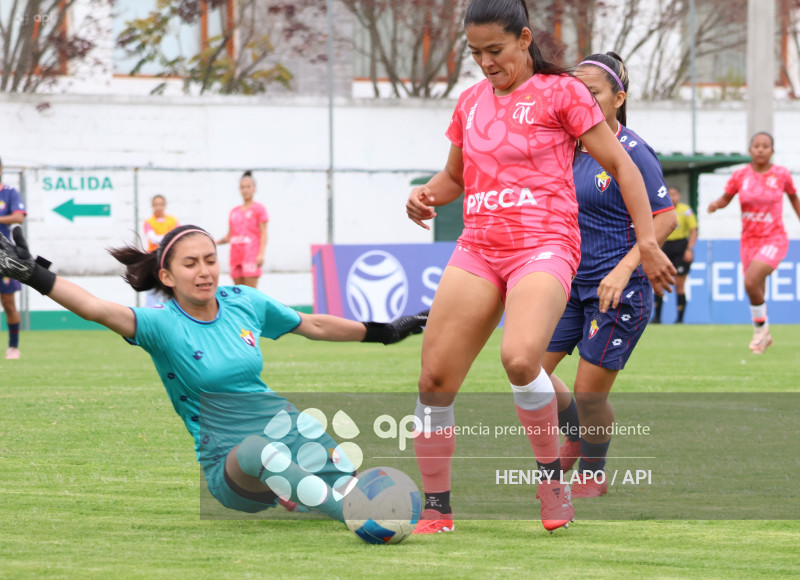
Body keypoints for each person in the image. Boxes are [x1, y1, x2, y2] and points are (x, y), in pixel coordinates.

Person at [405, 0, 675, 534]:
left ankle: (553, 481)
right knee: (434, 379)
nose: (484, 62)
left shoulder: (564, 93)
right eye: (475, 52)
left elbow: (621, 164)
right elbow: (454, 178)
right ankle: (438, 508)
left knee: (521, 359)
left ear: (525, 40)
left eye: (495, 50)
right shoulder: (469, 103)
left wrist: (646, 241)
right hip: (479, 245)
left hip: (545, 245)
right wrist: (424, 196)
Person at [0, 225, 428, 520]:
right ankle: (351, 517)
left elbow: (311, 324)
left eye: (210, 259)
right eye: (190, 264)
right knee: (262, 452)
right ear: (166, 275)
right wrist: (35, 275)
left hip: (288, 429)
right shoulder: (161, 325)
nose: (204, 271)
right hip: (231, 465)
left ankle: (331, 496)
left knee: (345, 468)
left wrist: (385, 331)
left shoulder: (244, 301)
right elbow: (97, 309)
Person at [543, 52, 678, 499]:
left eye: (594, 92)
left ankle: (593, 473)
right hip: (568, 286)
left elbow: (665, 219)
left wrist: (624, 270)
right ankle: (576, 435)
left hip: (619, 290)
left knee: (588, 393)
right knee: (528, 374)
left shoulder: (633, 152)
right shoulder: (565, 147)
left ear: (618, 98)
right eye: (576, 92)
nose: (582, 100)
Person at [707, 132, 800, 354]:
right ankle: (764, 335)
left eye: (765, 146)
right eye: (756, 146)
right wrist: (716, 205)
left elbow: (794, 198)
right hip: (748, 240)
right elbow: (726, 197)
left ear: (772, 151)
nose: (760, 149)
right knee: (756, 288)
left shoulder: (781, 174)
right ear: (750, 151)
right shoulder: (740, 175)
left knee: (750, 282)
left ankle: (760, 329)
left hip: (774, 238)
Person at [216, 171, 268, 289]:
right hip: (236, 257)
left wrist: (261, 254)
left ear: (254, 189)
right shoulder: (234, 211)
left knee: (250, 293)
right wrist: (214, 242)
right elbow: (229, 236)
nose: (245, 190)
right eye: (242, 187)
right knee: (238, 293)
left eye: (248, 186)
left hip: (251, 256)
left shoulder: (259, 209)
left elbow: (264, 233)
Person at [653, 187, 698, 324]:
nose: (673, 197)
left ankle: (679, 319)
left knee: (679, 283)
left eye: (675, 194)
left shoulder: (686, 210)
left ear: (679, 195)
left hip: (681, 247)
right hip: (665, 246)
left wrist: (689, 249)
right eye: (670, 194)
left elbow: (693, 230)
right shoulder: (662, 209)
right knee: (659, 282)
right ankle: (657, 318)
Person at [0, 157, 27, 359]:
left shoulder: (9, 193)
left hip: (3, 256)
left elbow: (19, 217)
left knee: (8, 303)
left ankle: (13, 347)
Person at [143, 194, 180, 306]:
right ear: (152, 206)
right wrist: (169, 236)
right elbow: (154, 239)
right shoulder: (149, 222)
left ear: (165, 205)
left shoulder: (173, 220)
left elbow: (178, 236)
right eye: (156, 204)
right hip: (153, 259)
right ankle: (151, 311)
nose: (158, 207)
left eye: (161, 204)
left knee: (169, 286)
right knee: (152, 288)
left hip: (169, 259)